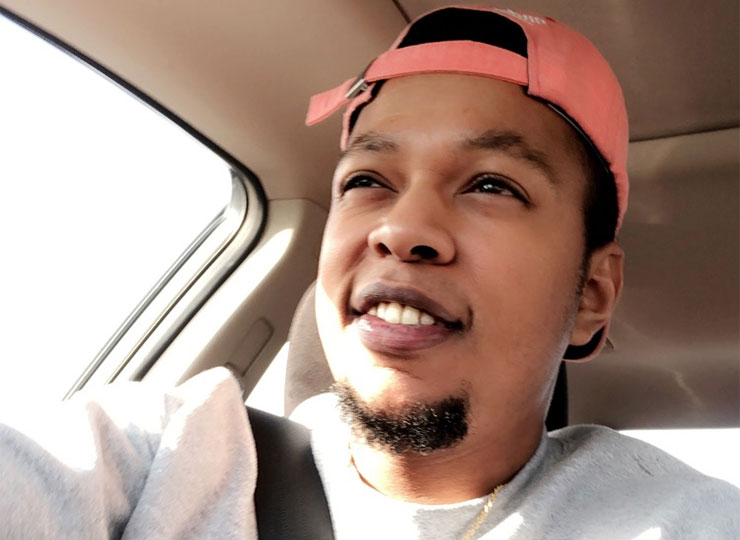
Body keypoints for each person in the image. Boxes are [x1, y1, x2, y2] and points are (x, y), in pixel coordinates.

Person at [0, 5, 737, 540]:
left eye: (492, 185)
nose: (401, 229)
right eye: (366, 181)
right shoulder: (164, 454)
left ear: (592, 295)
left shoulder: (683, 519)